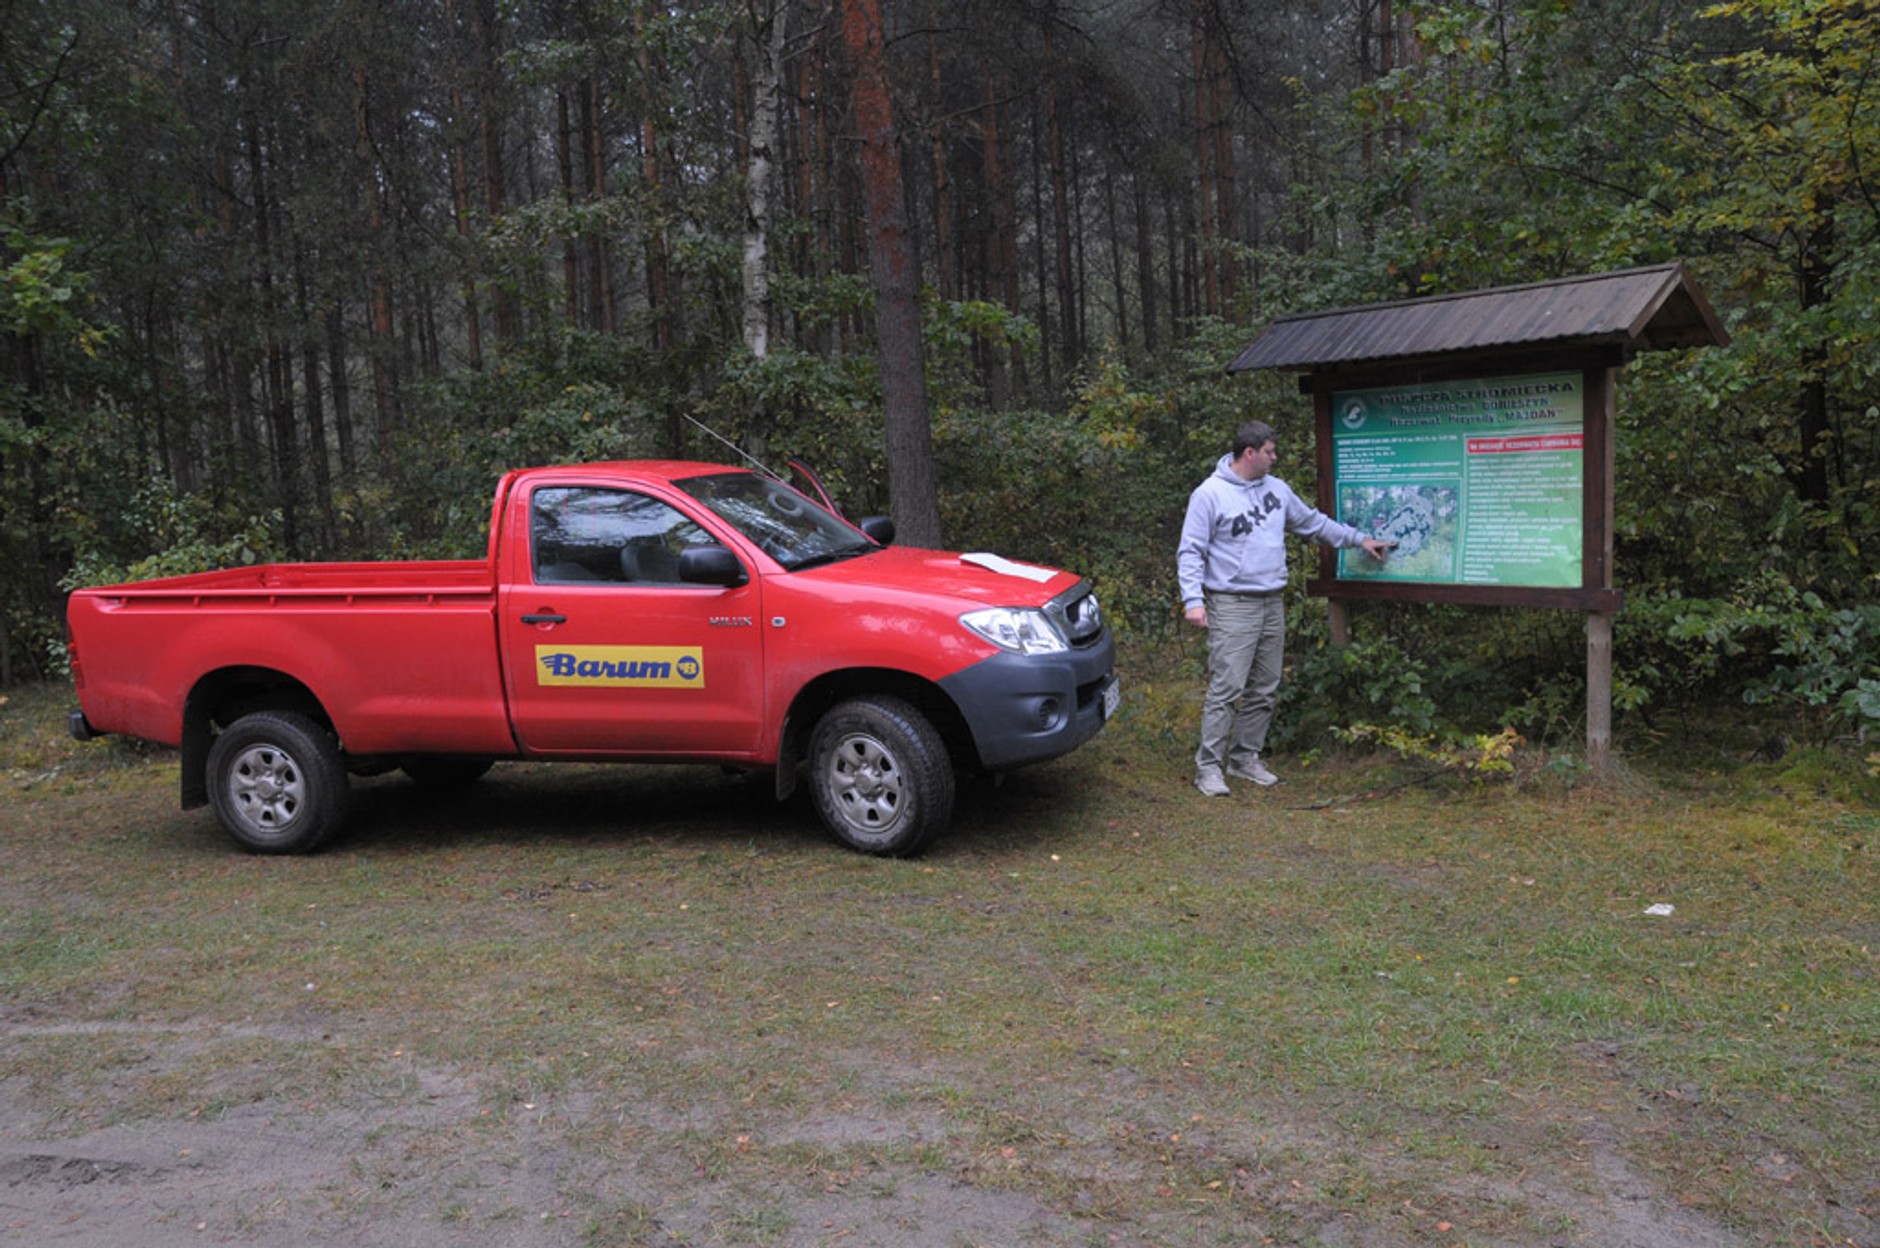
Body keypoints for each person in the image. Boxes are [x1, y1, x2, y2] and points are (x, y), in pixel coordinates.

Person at [1176, 419, 1391, 795]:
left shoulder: (1276, 490)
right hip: (1232, 603)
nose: (1275, 458)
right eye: (1270, 452)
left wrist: (1359, 540)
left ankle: (1244, 759)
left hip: (1271, 601)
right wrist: (1193, 600)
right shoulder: (1209, 494)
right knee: (1227, 687)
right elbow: (1191, 551)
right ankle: (1208, 768)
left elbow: (1312, 523)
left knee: (1265, 687)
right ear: (1250, 453)